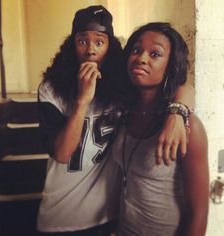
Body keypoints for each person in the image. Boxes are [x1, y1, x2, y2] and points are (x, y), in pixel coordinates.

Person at [36, 5, 195, 236]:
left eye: (99, 42)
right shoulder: (51, 89)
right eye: (82, 41)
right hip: (62, 215)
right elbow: (62, 153)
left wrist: (177, 112)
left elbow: (184, 86)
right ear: (72, 45)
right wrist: (82, 100)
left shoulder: (122, 84)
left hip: (111, 214)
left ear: (110, 47)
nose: (90, 50)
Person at [112, 22, 209, 236]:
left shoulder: (188, 126)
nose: (141, 58)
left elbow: (199, 212)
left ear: (171, 66)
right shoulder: (125, 113)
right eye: (136, 50)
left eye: (155, 54)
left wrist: (177, 112)